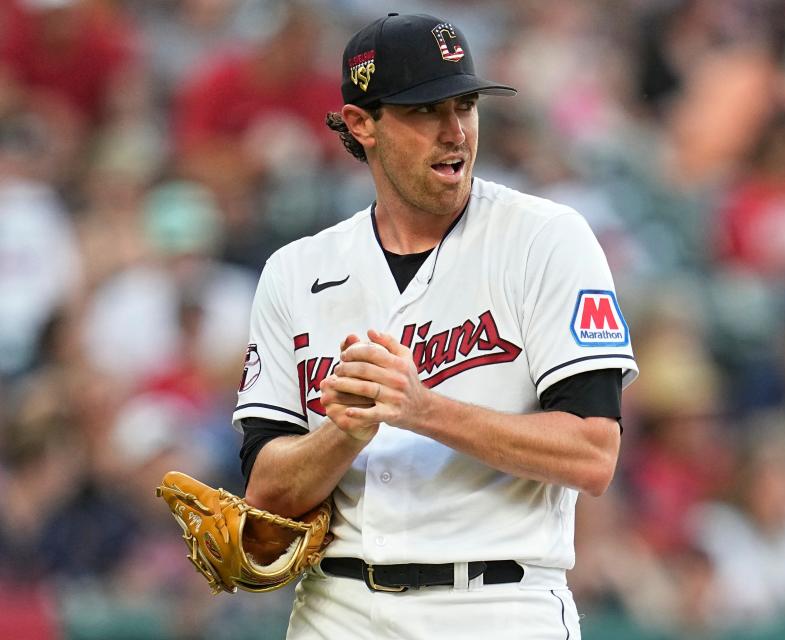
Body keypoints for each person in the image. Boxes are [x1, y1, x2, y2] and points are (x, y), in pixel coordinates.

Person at [235, 13, 638, 640]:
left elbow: (593, 453)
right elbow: (267, 493)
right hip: (336, 609)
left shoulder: (545, 239)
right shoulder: (296, 272)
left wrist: (422, 409)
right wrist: (344, 433)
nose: (455, 133)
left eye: (465, 104)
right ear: (360, 124)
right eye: (424, 111)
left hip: (496, 606)